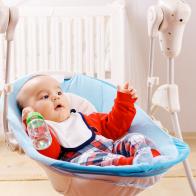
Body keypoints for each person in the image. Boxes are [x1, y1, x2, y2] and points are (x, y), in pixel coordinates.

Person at [17, 75, 160, 166]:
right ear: (33, 111)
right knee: (97, 160)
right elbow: (49, 153)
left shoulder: (84, 118)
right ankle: (133, 164)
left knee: (135, 139)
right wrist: (34, 123)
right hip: (82, 161)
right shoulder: (48, 132)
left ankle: (154, 160)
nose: (56, 97)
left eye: (59, 92)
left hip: (111, 147)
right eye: (45, 96)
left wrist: (124, 100)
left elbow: (114, 125)